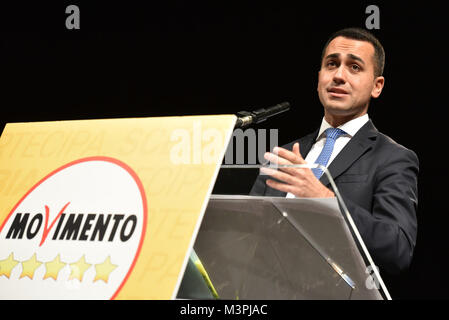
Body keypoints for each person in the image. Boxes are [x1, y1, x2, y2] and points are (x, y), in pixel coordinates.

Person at [250, 28, 419, 278]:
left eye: (354, 67)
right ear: (319, 77)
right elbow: (247, 232)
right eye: (331, 64)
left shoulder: (392, 158)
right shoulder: (283, 155)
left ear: (377, 86)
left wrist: (325, 199)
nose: (339, 75)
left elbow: (397, 248)